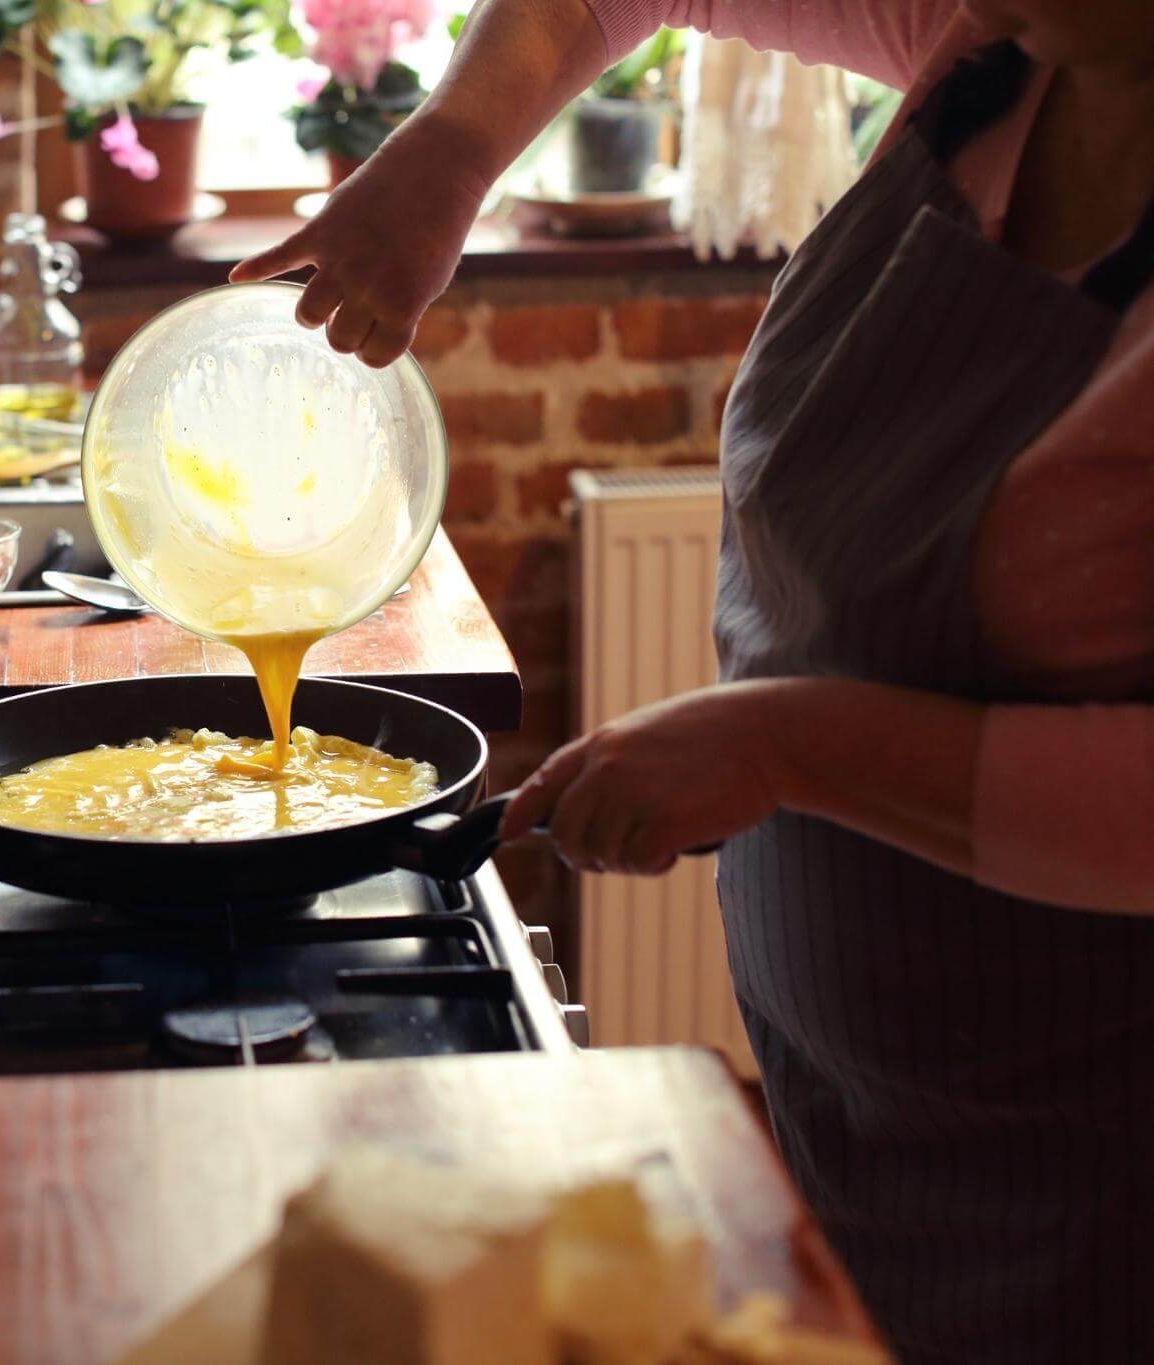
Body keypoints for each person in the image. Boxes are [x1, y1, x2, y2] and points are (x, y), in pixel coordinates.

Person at [232, 2, 1154, 1361]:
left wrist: (792, 746)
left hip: (1102, 1178)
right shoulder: (991, 46)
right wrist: (447, 151)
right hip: (852, 1101)